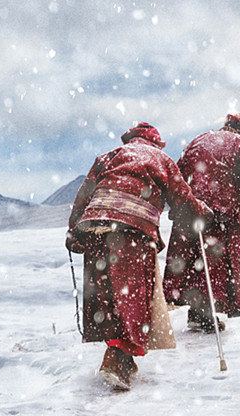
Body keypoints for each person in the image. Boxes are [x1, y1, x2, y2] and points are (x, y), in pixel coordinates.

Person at [66, 122, 213, 391]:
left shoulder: (108, 156)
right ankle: (116, 360)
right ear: (156, 143)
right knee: (131, 298)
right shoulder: (162, 159)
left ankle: (123, 355)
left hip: (96, 226)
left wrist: (74, 230)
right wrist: (199, 211)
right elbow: (182, 198)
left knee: (107, 296)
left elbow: (84, 194)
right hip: (131, 231)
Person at [163, 113, 240, 332]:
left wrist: (181, 204)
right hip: (221, 211)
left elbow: (177, 173)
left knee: (195, 261)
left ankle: (198, 312)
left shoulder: (198, 140)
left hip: (189, 209)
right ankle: (205, 314)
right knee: (215, 264)